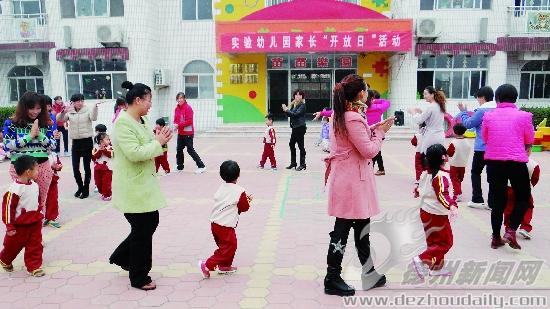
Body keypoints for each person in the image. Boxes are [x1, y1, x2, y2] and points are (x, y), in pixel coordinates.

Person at [323, 74, 393, 296]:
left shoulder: (345, 115)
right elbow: (369, 150)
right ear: (361, 93)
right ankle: (332, 277)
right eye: (365, 89)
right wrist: (380, 132)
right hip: (351, 183)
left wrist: (372, 128)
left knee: (363, 228)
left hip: (352, 180)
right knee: (342, 231)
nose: (367, 91)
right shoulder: (352, 118)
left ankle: (369, 273)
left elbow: (356, 140)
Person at [109, 81, 173, 291]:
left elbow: (150, 144)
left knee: (146, 225)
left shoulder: (141, 119)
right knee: (143, 229)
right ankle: (139, 276)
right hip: (132, 186)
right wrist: (157, 142)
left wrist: (160, 141)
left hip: (143, 184)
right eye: (148, 100)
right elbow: (135, 153)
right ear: (137, 100)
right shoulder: (123, 123)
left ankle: (122, 257)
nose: (150, 105)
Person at [481, 84, 534, 250]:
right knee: (523, 198)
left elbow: (485, 138)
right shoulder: (524, 116)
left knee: (498, 201)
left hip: (494, 162)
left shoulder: (488, 116)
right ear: (515, 98)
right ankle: (511, 230)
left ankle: (496, 237)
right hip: (516, 162)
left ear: (497, 98)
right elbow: (529, 139)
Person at [3, 91, 57, 211]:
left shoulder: (47, 123)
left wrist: (39, 135)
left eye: (38, 108)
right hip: (20, 167)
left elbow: (53, 145)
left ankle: (36, 224)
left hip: (42, 166)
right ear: (24, 107)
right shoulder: (11, 123)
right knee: (23, 199)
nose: (35, 111)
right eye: (31, 108)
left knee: (40, 201)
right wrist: (29, 136)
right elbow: (7, 146)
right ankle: (22, 225)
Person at [412, 144, 458, 279]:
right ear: (444, 158)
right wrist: (451, 205)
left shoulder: (428, 173)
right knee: (445, 242)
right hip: (437, 214)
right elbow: (442, 194)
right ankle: (421, 259)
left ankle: (436, 268)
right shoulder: (441, 176)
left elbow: (422, 188)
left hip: (426, 211)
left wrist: (417, 190)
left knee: (433, 242)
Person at [199, 160, 252, 278]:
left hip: (215, 224)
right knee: (230, 247)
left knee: (225, 247)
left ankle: (224, 266)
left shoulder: (222, 187)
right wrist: (247, 200)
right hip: (225, 226)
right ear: (238, 175)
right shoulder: (239, 191)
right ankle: (207, 265)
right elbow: (244, 208)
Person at [0, 155, 45, 277]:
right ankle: (4, 259)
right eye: (36, 169)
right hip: (19, 226)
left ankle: (34, 267)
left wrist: (39, 211)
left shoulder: (34, 185)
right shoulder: (14, 190)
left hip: (35, 222)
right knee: (12, 246)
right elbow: (8, 209)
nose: (38, 171)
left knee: (35, 245)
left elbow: (38, 201)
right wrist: (9, 226)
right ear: (28, 172)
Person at [457, 86, 496, 210]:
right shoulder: (498, 109)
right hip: (496, 149)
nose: (478, 101)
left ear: (482, 97)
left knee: (476, 172)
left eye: (478, 98)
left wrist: (463, 112)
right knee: (493, 176)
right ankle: (492, 202)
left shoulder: (482, 111)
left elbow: (468, 124)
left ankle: (477, 199)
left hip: (481, 148)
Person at [57, 93, 99, 199]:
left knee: (86, 168)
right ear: (73, 102)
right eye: (77, 101)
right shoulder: (70, 112)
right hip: (76, 143)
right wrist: (63, 111)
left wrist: (95, 107)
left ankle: (85, 189)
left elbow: (93, 118)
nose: (80, 103)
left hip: (87, 142)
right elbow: (59, 119)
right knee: (75, 168)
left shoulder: (87, 110)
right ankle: (80, 187)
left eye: (82, 100)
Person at [503, 156, 539, 240]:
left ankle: (509, 227)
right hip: (524, 189)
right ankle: (525, 226)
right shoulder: (533, 164)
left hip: (509, 188)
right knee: (528, 207)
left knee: (508, 208)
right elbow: (535, 178)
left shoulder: (507, 160)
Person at [407, 86, 446, 158]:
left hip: (431, 136)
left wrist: (412, 112)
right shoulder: (440, 105)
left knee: (428, 159)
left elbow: (419, 120)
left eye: (425, 94)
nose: (424, 96)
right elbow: (431, 117)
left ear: (432, 94)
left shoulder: (431, 106)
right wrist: (421, 111)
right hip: (440, 136)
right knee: (438, 160)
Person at [173, 92, 206, 174]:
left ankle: (201, 166)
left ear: (184, 99)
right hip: (180, 133)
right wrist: (175, 125)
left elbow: (189, 121)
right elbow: (176, 120)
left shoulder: (188, 108)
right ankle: (180, 166)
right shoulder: (176, 109)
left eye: (181, 98)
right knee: (179, 149)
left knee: (190, 150)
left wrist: (178, 125)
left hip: (188, 133)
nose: (180, 100)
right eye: (178, 98)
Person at [366, 90, 391, 176]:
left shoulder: (360, 109)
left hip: (365, 134)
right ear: (372, 98)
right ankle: (377, 169)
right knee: (376, 152)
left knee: (372, 153)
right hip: (377, 134)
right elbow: (387, 102)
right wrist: (375, 101)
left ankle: (376, 169)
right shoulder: (377, 108)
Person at [282, 89, 307, 171]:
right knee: (291, 144)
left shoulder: (302, 105)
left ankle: (303, 164)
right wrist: (285, 110)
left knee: (300, 146)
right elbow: (290, 115)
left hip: (300, 127)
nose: (297, 96)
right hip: (295, 127)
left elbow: (295, 115)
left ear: (302, 96)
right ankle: (293, 163)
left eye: (299, 95)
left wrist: (287, 110)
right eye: (296, 95)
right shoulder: (294, 105)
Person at [446, 123, 471, 202]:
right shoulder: (467, 142)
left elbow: (449, 153)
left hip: (454, 164)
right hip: (463, 164)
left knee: (454, 179)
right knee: (459, 179)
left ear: (455, 132)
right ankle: (457, 191)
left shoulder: (453, 142)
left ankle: (457, 194)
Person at [92, 132, 113, 201]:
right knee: (98, 183)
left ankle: (108, 194)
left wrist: (104, 150)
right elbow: (94, 157)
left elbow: (111, 155)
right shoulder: (95, 148)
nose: (109, 141)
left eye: (109, 139)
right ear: (101, 141)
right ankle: (103, 192)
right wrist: (100, 150)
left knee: (106, 183)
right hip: (97, 169)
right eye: (107, 139)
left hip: (107, 169)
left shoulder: (110, 147)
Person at [44, 153, 62, 228]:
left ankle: (51, 218)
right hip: (39, 179)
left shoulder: (53, 154)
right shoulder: (36, 151)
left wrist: (58, 167)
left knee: (53, 199)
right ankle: (40, 217)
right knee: (39, 200)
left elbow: (59, 165)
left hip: (52, 180)